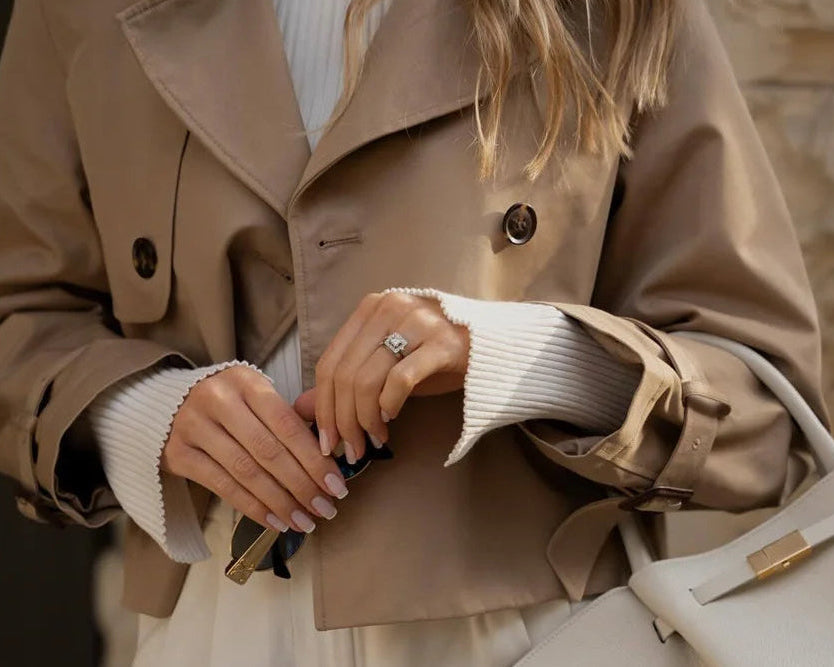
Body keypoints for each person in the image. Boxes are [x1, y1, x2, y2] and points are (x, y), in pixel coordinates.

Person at [0, 0, 827, 665]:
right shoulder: (77, 12)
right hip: (218, 628)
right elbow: (23, 312)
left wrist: (519, 355)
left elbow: (766, 411)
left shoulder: (620, 11)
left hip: (542, 635)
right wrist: (144, 413)